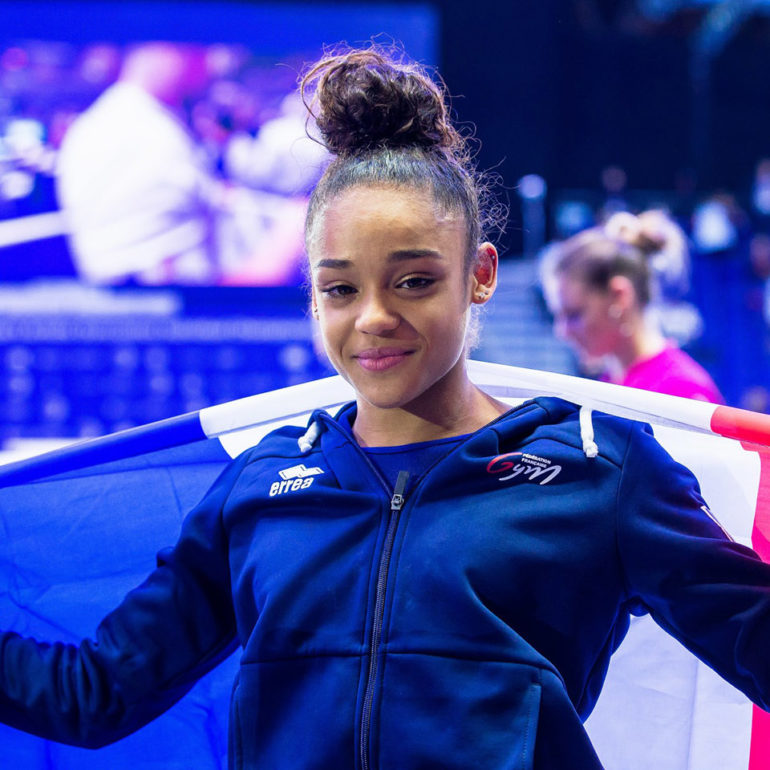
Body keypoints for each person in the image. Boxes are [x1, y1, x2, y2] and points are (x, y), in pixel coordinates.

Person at [2, 45, 770, 769]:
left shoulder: (597, 470)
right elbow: (93, 693)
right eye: (340, 288)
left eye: (413, 282)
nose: (372, 317)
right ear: (313, 296)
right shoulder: (260, 484)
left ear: (479, 275)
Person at [540, 209, 725, 403]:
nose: (562, 331)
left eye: (574, 314)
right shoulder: (613, 382)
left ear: (620, 297)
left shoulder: (683, 392)